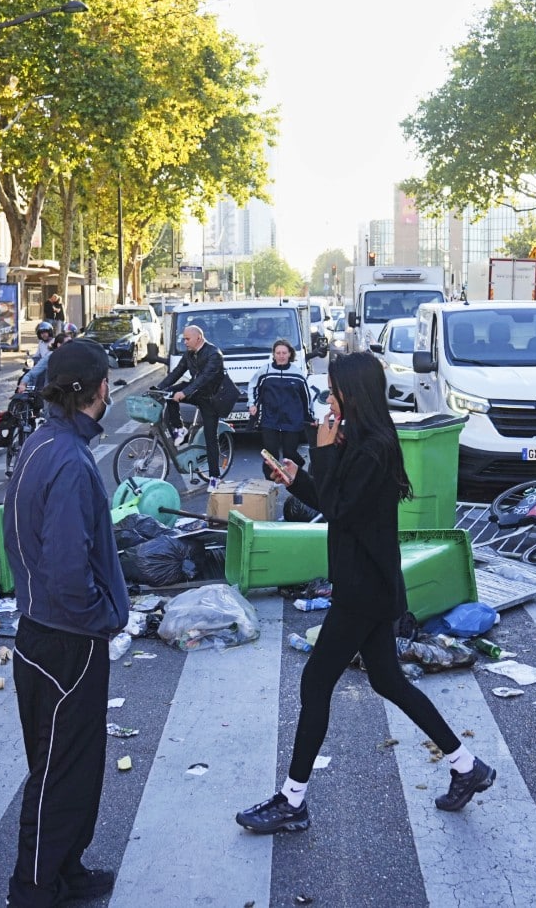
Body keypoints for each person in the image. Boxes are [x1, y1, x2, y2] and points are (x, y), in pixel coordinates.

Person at [236, 352, 494, 834]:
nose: (329, 399)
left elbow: (339, 508)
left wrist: (323, 447)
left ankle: (293, 801)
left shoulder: (372, 446)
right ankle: (466, 766)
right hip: (372, 583)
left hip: (363, 590)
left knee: (315, 683)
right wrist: (298, 479)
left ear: (353, 393)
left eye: (335, 390)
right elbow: (336, 503)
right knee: (388, 681)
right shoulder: (363, 439)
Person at [3, 342, 128, 906]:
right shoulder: (71, 461)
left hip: (42, 631)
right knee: (58, 774)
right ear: (97, 389)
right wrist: (103, 616)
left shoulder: (39, 443)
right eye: (108, 382)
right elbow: (68, 568)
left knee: (72, 766)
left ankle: (65, 871)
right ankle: (32, 888)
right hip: (66, 639)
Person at [155, 325, 228, 480]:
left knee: (210, 438)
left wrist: (185, 392)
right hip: (196, 392)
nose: (185, 342)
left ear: (198, 338)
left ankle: (214, 477)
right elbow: (177, 372)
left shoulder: (214, 354)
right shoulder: (189, 353)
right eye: (184, 339)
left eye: (187, 339)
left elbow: (203, 379)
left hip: (210, 399)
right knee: (170, 394)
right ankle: (180, 429)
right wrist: (158, 388)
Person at [250, 339, 313, 478]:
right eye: (278, 353)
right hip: (269, 418)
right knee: (270, 453)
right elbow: (253, 386)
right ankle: (269, 481)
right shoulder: (265, 371)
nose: (281, 355)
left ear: (290, 354)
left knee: (289, 453)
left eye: (284, 352)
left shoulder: (297, 374)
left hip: (292, 419)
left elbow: (306, 397)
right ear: (273, 354)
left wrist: (310, 416)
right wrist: (252, 404)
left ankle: (298, 468)